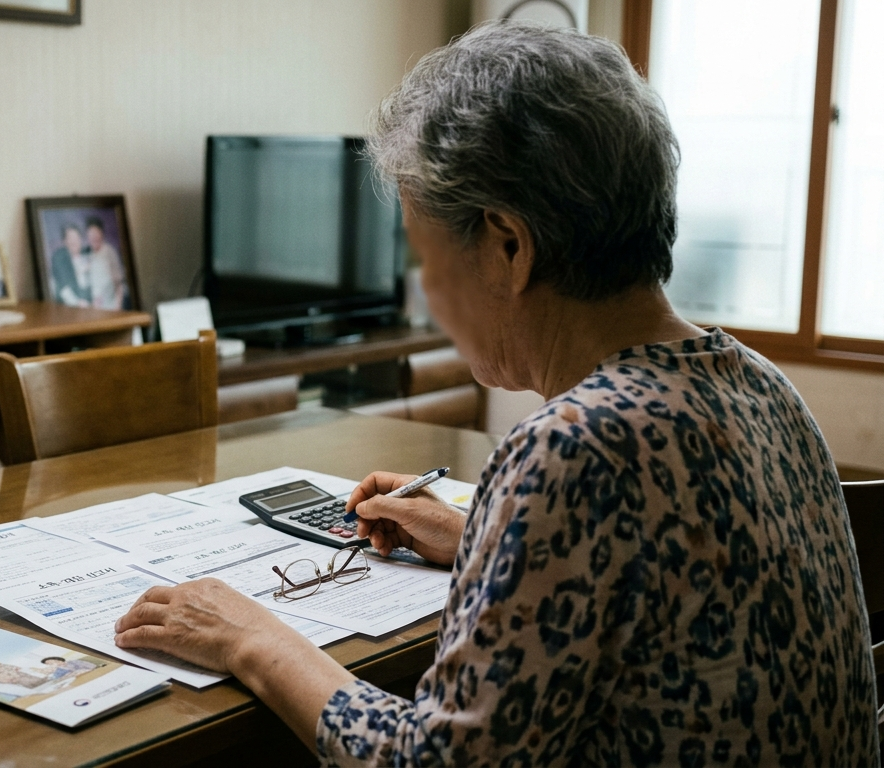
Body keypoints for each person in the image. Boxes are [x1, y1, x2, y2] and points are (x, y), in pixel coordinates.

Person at [112, 22, 878, 766]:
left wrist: (253, 634)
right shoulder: (760, 385)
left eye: (428, 255)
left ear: (508, 246)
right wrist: (486, 532)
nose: (430, 292)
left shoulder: (573, 448)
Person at [83, 217, 129, 310]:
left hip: (112, 306)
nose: (94, 237)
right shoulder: (88, 254)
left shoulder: (110, 252)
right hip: (96, 307)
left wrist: (118, 305)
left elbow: (119, 283)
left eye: (96, 233)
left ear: (102, 234)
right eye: (91, 235)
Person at [49, 223, 91, 307]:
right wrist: (77, 303)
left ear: (81, 239)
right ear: (64, 241)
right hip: (73, 306)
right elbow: (63, 288)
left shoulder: (88, 253)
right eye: (70, 238)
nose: (74, 241)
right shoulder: (59, 258)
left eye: (76, 237)